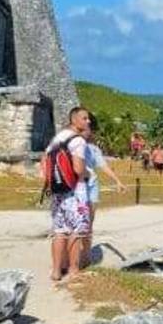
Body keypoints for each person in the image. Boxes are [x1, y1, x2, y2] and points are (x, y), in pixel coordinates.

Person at [47, 107, 92, 282]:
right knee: (77, 230)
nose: (88, 121)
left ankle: (56, 271)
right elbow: (78, 169)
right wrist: (88, 173)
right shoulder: (78, 141)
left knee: (59, 231)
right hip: (75, 191)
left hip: (58, 191)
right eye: (84, 118)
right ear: (74, 120)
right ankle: (73, 269)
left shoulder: (57, 138)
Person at [82, 114, 126, 268]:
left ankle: (86, 256)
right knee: (75, 224)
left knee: (88, 224)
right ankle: (71, 257)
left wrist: (117, 181)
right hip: (76, 189)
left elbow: (103, 166)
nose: (87, 131)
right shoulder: (68, 144)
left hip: (92, 188)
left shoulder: (93, 148)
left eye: (89, 128)